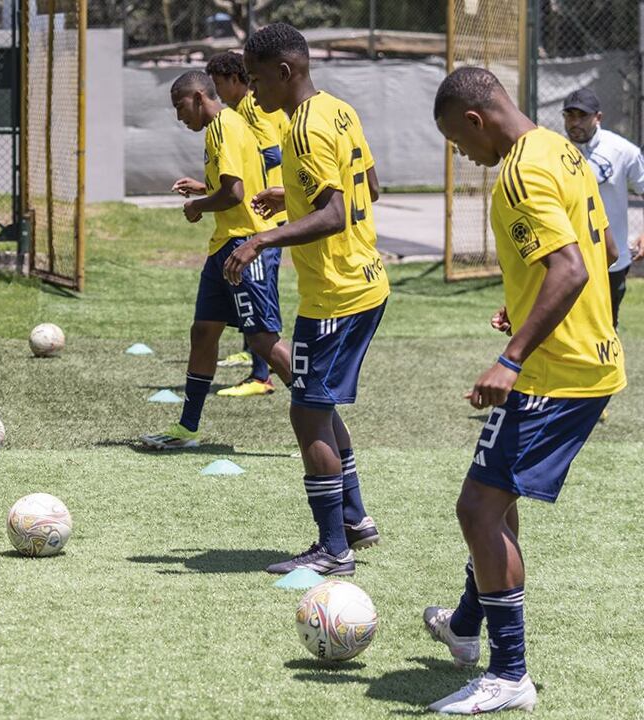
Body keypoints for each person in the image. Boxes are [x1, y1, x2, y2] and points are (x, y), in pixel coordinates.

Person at [423, 66, 625, 715]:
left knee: (477, 510)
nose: (466, 158)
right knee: (493, 496)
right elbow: (606, 250)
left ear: (476, 121)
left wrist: (511, 358)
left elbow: (566, 269)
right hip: (581, 358)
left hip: (554, 375)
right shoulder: (561, 150)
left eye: (459, 144)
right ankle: (463, 625)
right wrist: (528, 311)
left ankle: (510, 675)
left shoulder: (515, 174)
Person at [225, 23, 385, 576]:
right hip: (360, 281)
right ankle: (356, 521)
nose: (251, 89)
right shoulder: (339, 110)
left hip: (337, 291)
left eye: (256, 78)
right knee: (318, 403)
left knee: (306, 410)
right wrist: (290, 195)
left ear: (285, 72)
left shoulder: (302, 131)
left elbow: (335, 214)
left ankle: (333, 549)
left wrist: (261, 238)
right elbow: (368, 187)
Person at [139, 71, 290, 451]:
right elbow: (237, 183)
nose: (179, 117)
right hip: (223, 246)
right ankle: (187, 428)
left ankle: (322, 410)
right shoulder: (226, 126)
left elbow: (235, 195)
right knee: (203, 331)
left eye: (180, 106)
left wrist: (197, 206)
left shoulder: (223, 126)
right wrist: (205, 189)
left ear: (198, 96)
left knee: (263, 339)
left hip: (246, 244)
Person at [207, 50, 290, 398]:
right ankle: (257, 360)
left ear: (234, 79)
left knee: (262, 295)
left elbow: (273, 153)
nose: (216, 91)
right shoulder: (242, 110)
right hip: (261, 212)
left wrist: (254, 180)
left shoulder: (253, 108)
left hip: (267, 215)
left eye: (218, 83)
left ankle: (262, 375)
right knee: (253, 292)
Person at [562, 87, 644, 327]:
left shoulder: (623, 151)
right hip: (566, 257)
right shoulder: (555, 150)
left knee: (605, 328)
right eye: (569, 116)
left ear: (598, 117)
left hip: (611, 259)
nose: (575, 123)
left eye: (582, 116)